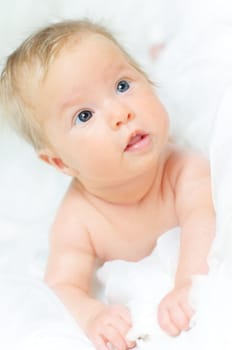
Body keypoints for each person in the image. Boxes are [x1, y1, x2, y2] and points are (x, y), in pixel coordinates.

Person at [0, 19, 215, 350]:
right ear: (60, 162)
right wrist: (92, 316)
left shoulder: (182, 169)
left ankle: (164, 49)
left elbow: (203, 218)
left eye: (123, 85)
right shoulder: (78, 220)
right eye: (84, 115)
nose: (121, 113)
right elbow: (61, 285)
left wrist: (187, 283)